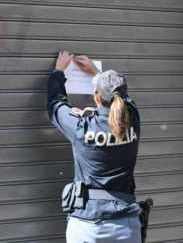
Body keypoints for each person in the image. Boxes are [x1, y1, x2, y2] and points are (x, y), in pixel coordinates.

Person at [48, 50, 142, 243]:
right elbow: (124, 102)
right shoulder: (133, 120)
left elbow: (55, 104)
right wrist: (96, 73)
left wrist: (59, 70)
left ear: (96, 97)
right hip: (126, 226)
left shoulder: (82, 127)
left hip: (88, 226)